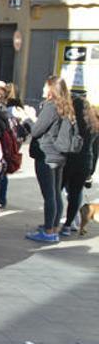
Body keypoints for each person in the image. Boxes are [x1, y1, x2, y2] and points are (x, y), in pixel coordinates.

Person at [27, 77, 75, 243]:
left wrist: (28, 118)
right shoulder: (66, 106)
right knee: (55, 193)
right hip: (59, 154)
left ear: (51, 89)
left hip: (46, 154)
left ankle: (48, 231)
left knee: (49, 194)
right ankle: (53, 226)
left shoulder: (51, 106)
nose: (42, 88)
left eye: (45, 86)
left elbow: (36, 130)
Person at [61, 92, 98, 236]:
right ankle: (68, 225)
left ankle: (52, 222)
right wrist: (90, 172)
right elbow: (95, 151)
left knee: (57, 190)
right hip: (85, 163)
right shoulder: (94, 125)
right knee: (75, 195)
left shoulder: (72, 123)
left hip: (69, 161)